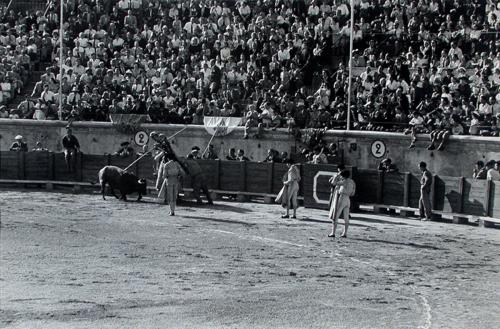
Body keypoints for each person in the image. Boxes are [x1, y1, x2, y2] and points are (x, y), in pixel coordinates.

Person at [328, 169, 356, 238]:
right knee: (346, 217)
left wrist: (335, 177)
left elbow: (333, 183)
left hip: (342, 198)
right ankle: (344, 233)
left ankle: (333, 233)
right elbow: (353, 193)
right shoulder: (352, 182)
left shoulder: (344, 181)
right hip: (348, 199)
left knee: (335, 216)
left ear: (343, 176)